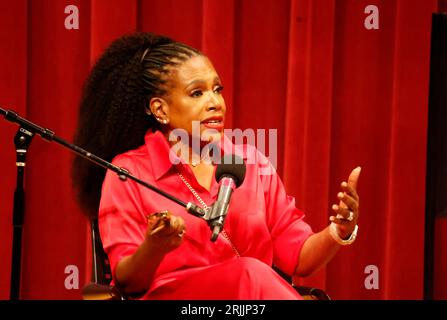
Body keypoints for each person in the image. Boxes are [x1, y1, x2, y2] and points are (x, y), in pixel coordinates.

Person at [72, 32, 361, 300]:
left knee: (251, 274)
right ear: (160, 109)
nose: (216, 102)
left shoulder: (250, 162)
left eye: (217, 89)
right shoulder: (127, 172)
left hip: (251, 301)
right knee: (250, 272)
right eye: (197, 93)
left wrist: (339, 230)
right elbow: (127, 283)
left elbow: (299, 257)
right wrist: (155, 247)